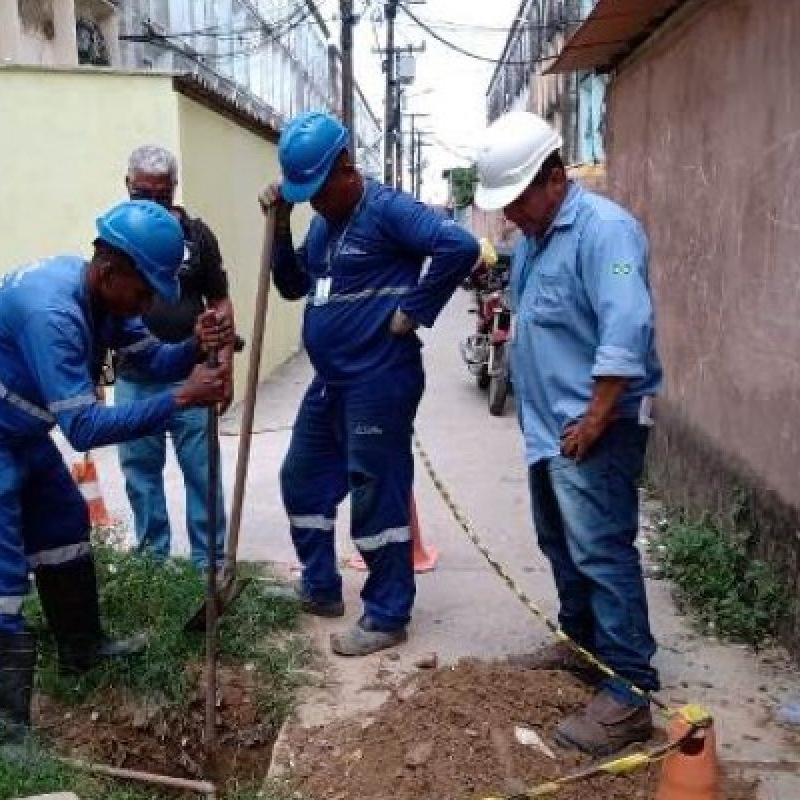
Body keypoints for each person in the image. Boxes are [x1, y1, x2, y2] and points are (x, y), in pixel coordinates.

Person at [0, 200, 232, 752]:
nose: (148, 303)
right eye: (144, 291)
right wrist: (182, 398)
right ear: (110, 272)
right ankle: (9, 733)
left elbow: (149, 362)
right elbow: (83, 428)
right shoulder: (53, 313)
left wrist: (193, 347)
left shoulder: (105, 296)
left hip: (13, 423)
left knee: (62, 521)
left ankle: (81, 646)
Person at [474, 110, 663, 755]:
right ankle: (585, 648)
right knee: (561, 543)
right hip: (551, 427)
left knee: (602, 551)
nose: (510, 219)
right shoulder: (534, 238)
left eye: (516, 201)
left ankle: (631, 692)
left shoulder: (605, 233)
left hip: (595, 428)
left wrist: (595, 418)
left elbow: (626, 332)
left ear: (554, 178)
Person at [259, 112, 480, 657]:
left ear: (345, 169)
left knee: (375, 490)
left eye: (315, 189)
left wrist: (417, 308)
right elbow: (291, 286)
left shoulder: (388, 210)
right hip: (332, 380)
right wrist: (281, 221)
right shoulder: (320, 224)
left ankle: (386, 614)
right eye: (301, 192)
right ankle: (320, 587)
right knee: (301, 478)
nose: (313, 200)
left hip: (380, 377)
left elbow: (460, 246)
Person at [115, 144, 233, 570]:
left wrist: (225, 367)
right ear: (127, 186)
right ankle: (153, 566)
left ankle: (211, 566)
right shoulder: (117, 234)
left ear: (174, 190)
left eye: (161, 197)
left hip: (192, 374)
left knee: (204, 477)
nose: (152, 205)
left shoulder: (197, 237)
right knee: (140, 477)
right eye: (142, 195)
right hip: (135, 378)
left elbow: (220, 302)